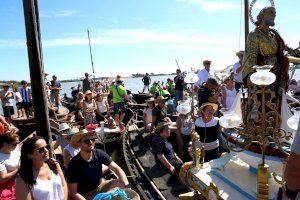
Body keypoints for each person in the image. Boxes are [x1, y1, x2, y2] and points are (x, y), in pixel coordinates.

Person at [242, 6, 291, 110]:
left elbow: (285, 48)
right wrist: (250, 75)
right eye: (271, 12)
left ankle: (275, 122)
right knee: (264, 103)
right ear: (262, 15)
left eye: (275, 13)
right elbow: (250, 56)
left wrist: (295, 52)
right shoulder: (254, 34)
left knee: (277, 101)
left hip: (278, 72)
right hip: (263, 76)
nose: (274, 15)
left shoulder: (274, 34)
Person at [66, 129, 129, 200]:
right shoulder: (74, 165)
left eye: (92, 139)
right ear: (79, 144)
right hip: (86, 195)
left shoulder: (99, 153)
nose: (90, 142)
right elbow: (73, 193)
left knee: (120, 183)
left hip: (100, 186)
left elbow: (116, 168)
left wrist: (126, 185)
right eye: (87, 141)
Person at [16, 136, 68, 200]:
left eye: (47, 147)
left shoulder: (54, 165)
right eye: (41, 150)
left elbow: (63, 185)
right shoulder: (22, 179)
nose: (46, 150)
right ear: (30, 155)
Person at [0, 131, 20, 199]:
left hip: (20, 180)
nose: (16, 145)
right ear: (5, 144)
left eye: (17, 143)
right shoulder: (1, 158)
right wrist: (18, 170)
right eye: (14, 144)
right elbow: (3, 178)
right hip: (9, 187)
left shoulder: (15, 149)